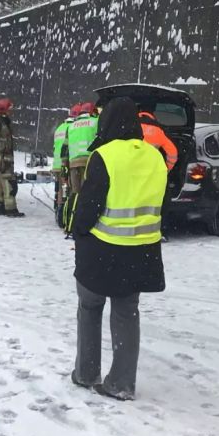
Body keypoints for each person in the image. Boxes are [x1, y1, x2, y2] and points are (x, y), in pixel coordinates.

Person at [70, 96, 167, 401]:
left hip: (102, 248)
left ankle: (87, 372)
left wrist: (78, 231)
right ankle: (121, 382)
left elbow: (90, 205)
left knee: (89, 305)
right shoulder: (155, 157)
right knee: (127, 312)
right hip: (142, 249)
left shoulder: (105, 155)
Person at [0, 98, 24, 217]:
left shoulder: (3, 121)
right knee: (9, 183)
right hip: (3, 158)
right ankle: (10, 208)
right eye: (9, 109)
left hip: (2, 157)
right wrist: (2, 151)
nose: (11, 112)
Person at [53, 104, 80, 220]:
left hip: (57, 164)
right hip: (68, 163)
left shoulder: (59, 128)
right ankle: (67, 215)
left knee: (60, 189)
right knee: (70, 190)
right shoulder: (74, 127)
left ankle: (59, 211)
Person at [66, 102, 99, 196]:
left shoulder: (71, 126)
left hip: (73, 164)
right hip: (89, 162)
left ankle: (74, 210)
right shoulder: (95, 121)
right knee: (87, 193)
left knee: (75, 194)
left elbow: (66, 148)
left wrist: (65, 166)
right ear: (92, 112)